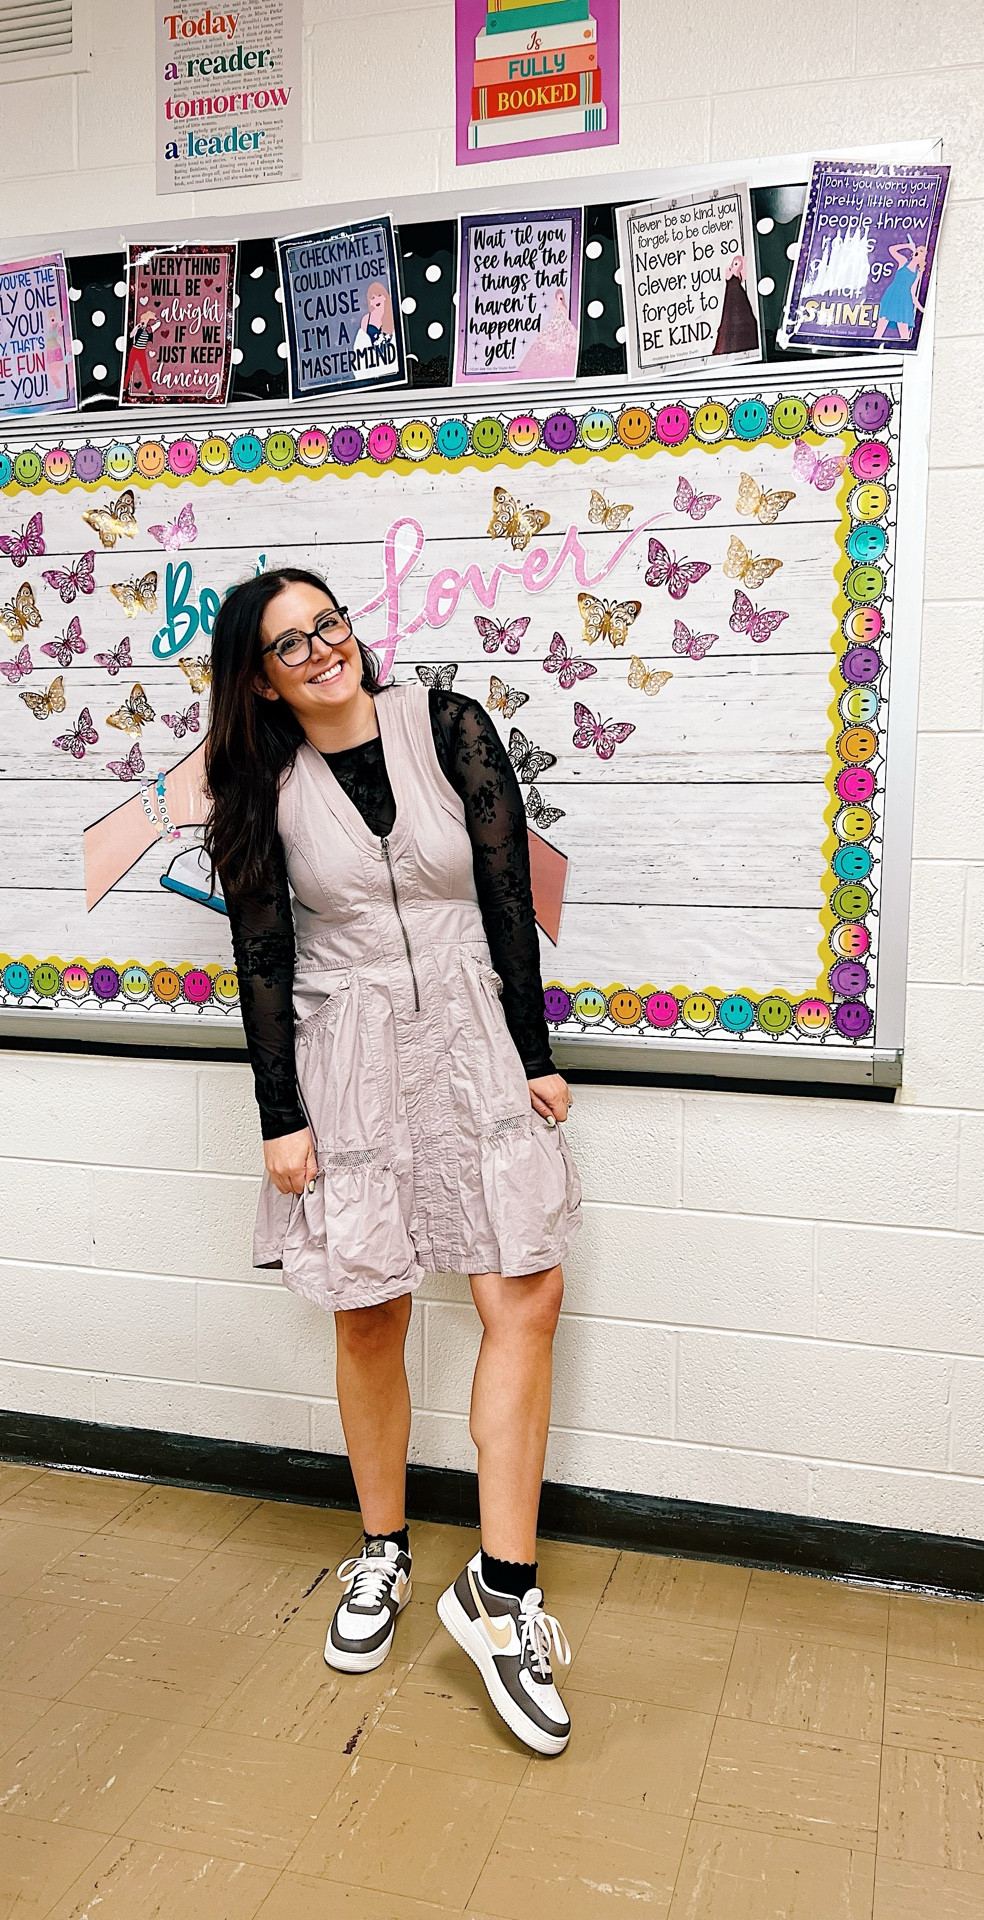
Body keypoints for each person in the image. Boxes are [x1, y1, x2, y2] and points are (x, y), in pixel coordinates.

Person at [205, 569, 582, 1758]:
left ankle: (503, 1592)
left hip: (474, 1032)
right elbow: (261, 950)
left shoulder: (448, 723)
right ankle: (383, 1550)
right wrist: (280, 1114)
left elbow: (509, 893)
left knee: (525, 1291)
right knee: (369, 1311)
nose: (322, 651)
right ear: (261, 677)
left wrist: (535, 1050)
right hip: (348, 1049)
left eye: (330, 624)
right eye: (289, 644)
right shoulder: (261, 784)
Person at [873, 242, 927, 343]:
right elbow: (891, 249)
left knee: (904, 336)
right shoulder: (903, 261)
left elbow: (912, 293)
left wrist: (922, 309)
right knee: (879, 330)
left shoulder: (917, 273)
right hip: (892, 296)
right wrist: (907, 245)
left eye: (921, 252)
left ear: (922, 257)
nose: (917, 252)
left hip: (904, 301)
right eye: (917, 250)